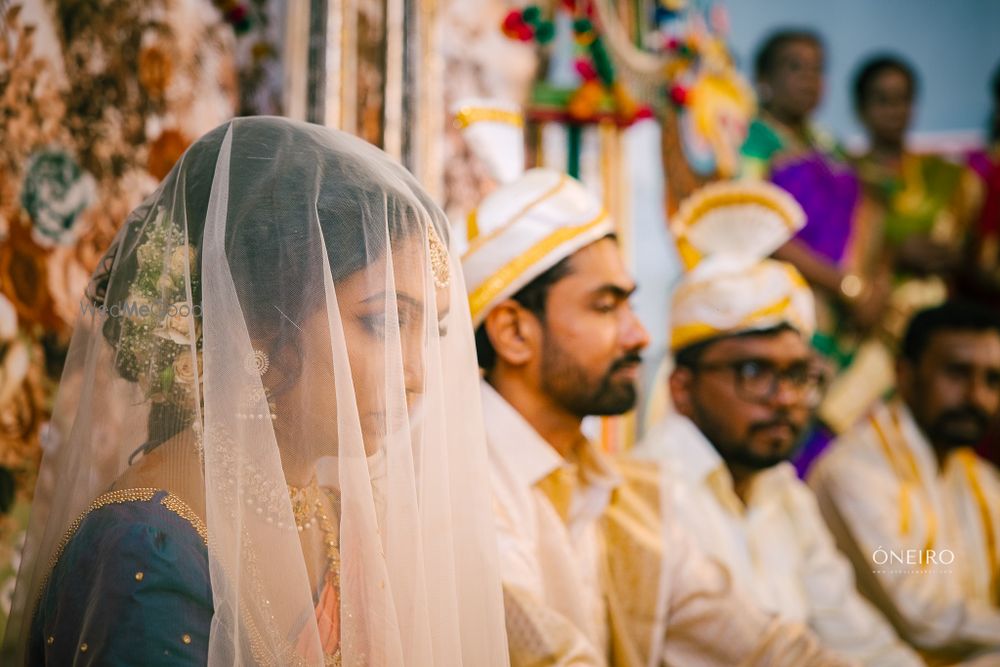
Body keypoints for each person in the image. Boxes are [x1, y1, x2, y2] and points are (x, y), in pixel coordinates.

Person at [3, 117, 509, 665]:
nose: (414, 375)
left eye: (428, 333)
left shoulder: (342, 520)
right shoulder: (147, 548)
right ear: (261, 319)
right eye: (385, 324)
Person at [458, 99, 857, 666]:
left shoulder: (623, 493)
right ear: (515, 332)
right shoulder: (459, 484)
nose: (640, 335)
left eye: (631, 305)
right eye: (606, 306)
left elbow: (762, 645)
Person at [634, 180, 922, 666]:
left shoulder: (785, 493)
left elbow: (860, 640)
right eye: (754, 372)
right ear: (681, 388)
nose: (786, 399)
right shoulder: (648, 498)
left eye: (799, 374)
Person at [810, 301, 1000, 665]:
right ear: (904, 374)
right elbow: (920, 615)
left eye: (992, 379)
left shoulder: (980, 479)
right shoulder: (853, 471)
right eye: (958, 374)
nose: (977, 397)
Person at [740, 30, 888, 472]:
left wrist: (872, 287)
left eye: (818, 68)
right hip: (793, 311)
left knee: (844, 450)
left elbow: (871, 216)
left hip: (849, 318)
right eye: (794, 66)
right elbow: (756, 226)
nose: (809, 79)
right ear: (764, 78)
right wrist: (845, 286)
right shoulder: (753, 142)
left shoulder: (831, 147)